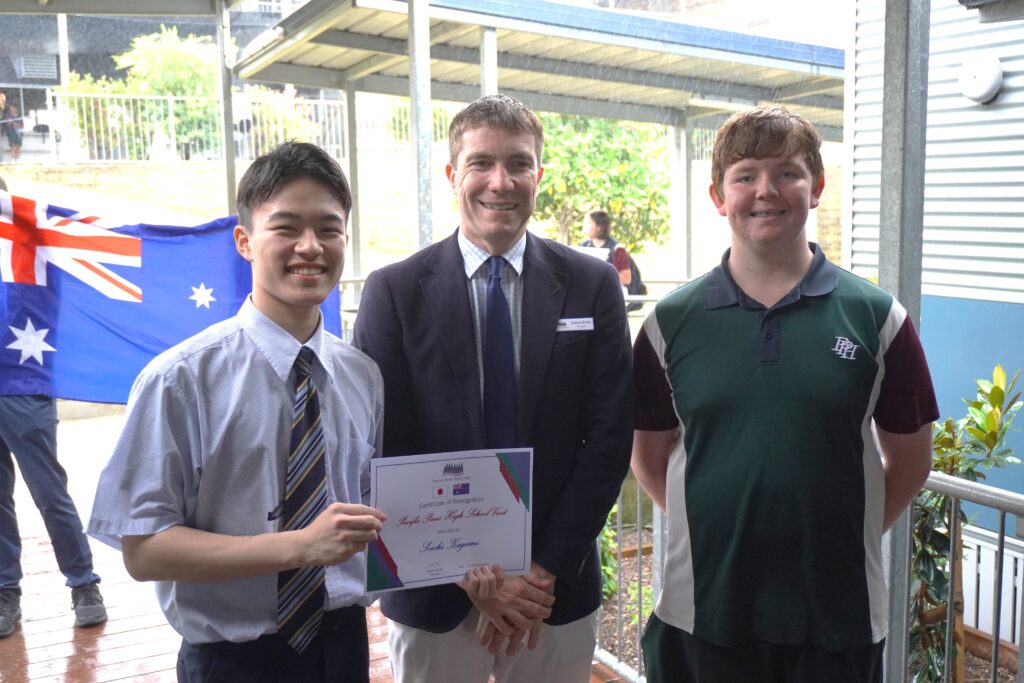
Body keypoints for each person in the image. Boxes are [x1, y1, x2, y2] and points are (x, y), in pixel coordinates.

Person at [631, 106, 939, 683]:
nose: (765, 191)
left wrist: (840, 533)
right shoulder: (667, 323)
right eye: (745, 175)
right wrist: (718, 531)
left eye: (787, 173)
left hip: (837, 612)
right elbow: (648, 458)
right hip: (703, 610)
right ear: (718, 196)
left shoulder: (878, 318)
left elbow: (910, 463)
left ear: (816, 188)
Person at [352, 94, 633, 683]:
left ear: (539, 175)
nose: (500, 182)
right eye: (481, 163)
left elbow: (609, 438)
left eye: (518, 163)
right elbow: (384, 447)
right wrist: (468, 570)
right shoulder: (394, 292)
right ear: (453, 174)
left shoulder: (592, 284)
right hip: (435, 594)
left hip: (552, 591)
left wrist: (540, 571)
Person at [87, 142, 387, 683]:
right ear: (244, 242)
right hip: (231, 660)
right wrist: (298, 546)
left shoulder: (362, 376)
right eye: (286, 227)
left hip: (344, 647)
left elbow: (375, 509)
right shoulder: (180, 380)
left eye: (329, 229)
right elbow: (144, 549)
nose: (310, 246)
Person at [0, 173, 107, 639]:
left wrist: (23, 222)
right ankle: (5, 591)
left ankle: (84, 584)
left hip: (22, 385)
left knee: (48, 492)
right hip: (20, 383)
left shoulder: (35, 248)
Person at [580, 209, 631, 287]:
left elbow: (626, 278)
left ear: (599, 226)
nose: (584, 226)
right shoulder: (583, 246)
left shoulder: (617, 249)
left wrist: (602, 277)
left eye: (588, 223)